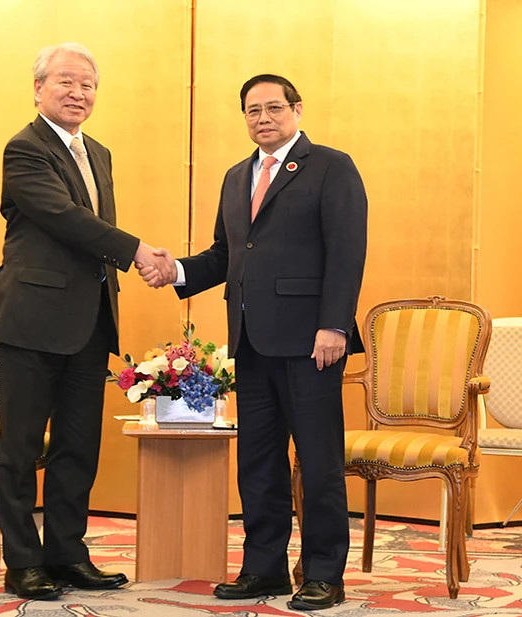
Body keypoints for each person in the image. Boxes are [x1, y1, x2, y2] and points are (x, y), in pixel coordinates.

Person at [140, 74, 367, 611]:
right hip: (251, 341)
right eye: (252, 110)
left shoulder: (331, 167)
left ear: (297, 109)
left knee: (319, 463)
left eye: (273, 108)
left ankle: (324, 574)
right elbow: (226, 255)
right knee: (258, 463)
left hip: (312, 342)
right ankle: (264, 569)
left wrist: (334, 325)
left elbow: (347, 250)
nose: (262, 118)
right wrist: (175, 271)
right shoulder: (236, 176)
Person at [0, 42, 174, 600]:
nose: (77, 92)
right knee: (20, 448)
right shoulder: (25, 148)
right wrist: (138, 251)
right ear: (38, 88)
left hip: (90, 321)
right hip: (31, 320)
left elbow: (91, 232)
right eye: (65, 81)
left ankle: (67, 553)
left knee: (78, 446)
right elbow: (64, 218)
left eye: (87, 84)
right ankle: (23, 561)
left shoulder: (99, 152)